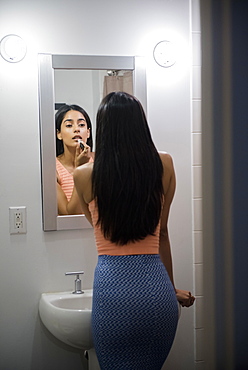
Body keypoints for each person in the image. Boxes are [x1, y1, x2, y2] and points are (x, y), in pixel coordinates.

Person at [73, 92, 195, 369]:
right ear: (141, 124)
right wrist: (171, 288)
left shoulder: (83, 175)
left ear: (102, 129)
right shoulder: (164, 164)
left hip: (112, 293)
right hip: (157, 292)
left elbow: (99, 227)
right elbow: (161, 233)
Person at [55, 104, 94, 215]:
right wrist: (80, 170)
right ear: (59, 134)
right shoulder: (52, 168)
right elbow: (70, 215)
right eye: (69, 125)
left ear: (88, 132)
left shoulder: (100, 162)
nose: (76, 129)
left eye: (81, 125)